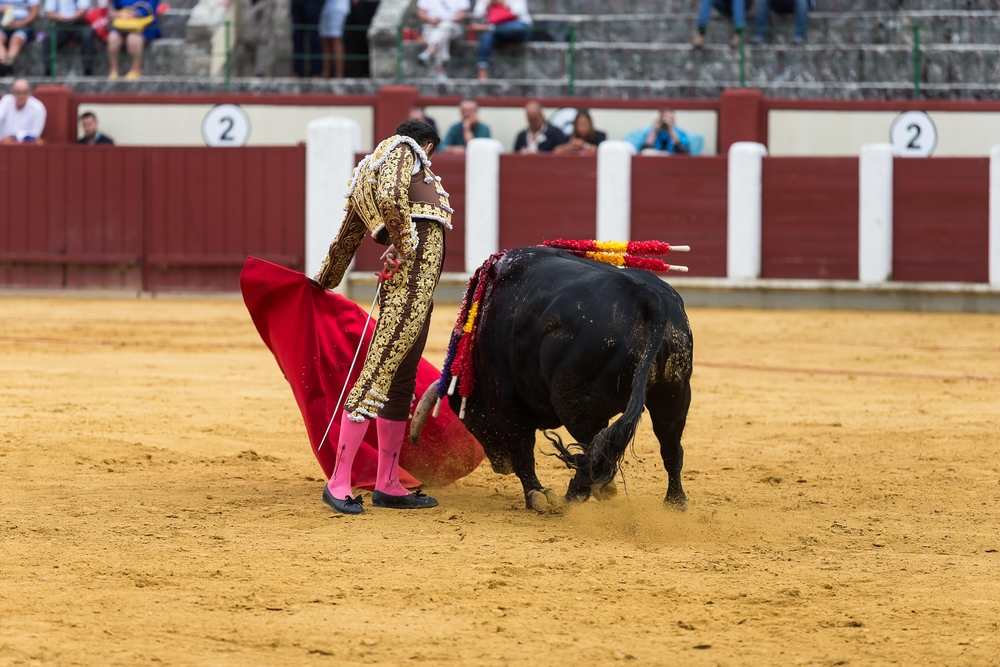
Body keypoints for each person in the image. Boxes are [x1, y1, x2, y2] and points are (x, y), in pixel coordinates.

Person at [314, 120, 453, 515]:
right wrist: (404, 243)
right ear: (427, 143)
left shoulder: (367, 174)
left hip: (417, 291)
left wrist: (324, 281)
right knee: (377, 375)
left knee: (400, 379)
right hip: (409, 286)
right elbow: (393, 198)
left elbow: (345, 240)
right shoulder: (404, 150)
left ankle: (388, 483)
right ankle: (339, 482)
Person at [471, 0, 531, 82]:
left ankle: (491, 28)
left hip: (517, 28)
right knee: (486, 36)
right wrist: (489, 5)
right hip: (497, 33)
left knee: (518, 28)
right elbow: (477, 15)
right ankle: (482, 70)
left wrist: (503, 3)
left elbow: (520, 12)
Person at [416, 0, 469, 82]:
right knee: (442, 34)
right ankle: (440, 69)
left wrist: (446, 21)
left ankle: (430, 51)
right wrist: (431, 20)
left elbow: (462, 15)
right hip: (431, 26)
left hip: (452, 27)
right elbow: (421, 13)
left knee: (445, 26)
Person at [107, 0, 161, 79]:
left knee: (132, 38)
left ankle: (136, 70)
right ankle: (113, 71)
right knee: (113, 38)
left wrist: (126, 14)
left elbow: (149, 9)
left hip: (145, 26)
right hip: (123, 24)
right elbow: (115, 7)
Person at [40, 0, 95, 76]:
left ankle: (88, 70)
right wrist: (57, 16)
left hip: (78, 24)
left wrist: (71, 18)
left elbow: (83, 10)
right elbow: (49, 13)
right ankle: (49, 71)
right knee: (49, 37)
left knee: (87, 34)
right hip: (60, 25)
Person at [0, 0, 40, 74]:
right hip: (2, 25)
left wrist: (20, 23)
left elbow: (35, 12)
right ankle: (5, 67)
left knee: (16, 40)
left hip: (24, 25)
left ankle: (4, 69)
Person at [0, 78, 46, 143]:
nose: (21, 96)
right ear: (13, 93)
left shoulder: (38, 108)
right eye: (18, 92)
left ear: (30, 93)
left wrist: (14, 137)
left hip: (25, 148)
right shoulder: (6, 100)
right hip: (3, 146)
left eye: (25, 92)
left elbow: (34, 135)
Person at [290, 0, 323, 77]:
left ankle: (316, 72)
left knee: (314, 37)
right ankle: (297, 71)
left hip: (314, 2)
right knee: (297, 36)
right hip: (297, 3)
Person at [318, 0, 349, 78]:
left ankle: (339, 75)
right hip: (326, 7)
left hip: (338, 7)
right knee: (325, 40)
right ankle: (326, 73)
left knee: (336, 38)